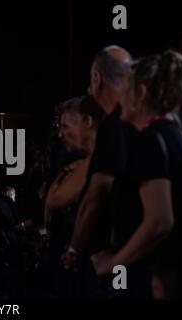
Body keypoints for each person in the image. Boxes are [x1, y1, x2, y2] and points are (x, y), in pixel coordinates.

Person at [91, 50, 182, 299]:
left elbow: (160, 220)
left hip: (153, 280)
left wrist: (114, 262)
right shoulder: (176, 136)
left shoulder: (149, 140)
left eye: (126, 89)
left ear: (141, 94)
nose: (120, 101)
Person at [63, 46, 135, 276]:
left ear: (97, 78)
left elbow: (96, 198)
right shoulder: (143, 119)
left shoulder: (114, 126)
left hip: (115, 258)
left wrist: (73, 250)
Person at [43, 96, 104, 298]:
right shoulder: (77, 161)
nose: (61, 134)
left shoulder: (101, 158)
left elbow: (55, 200)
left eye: (66, 126)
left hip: (97, 260)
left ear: (87, 122)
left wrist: (74, 250)